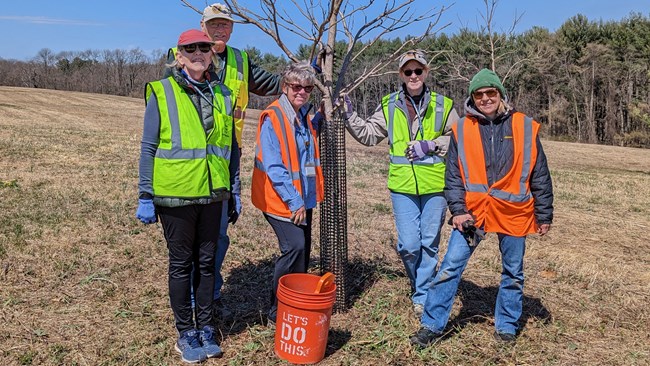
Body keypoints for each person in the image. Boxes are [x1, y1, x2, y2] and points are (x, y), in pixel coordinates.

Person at [409, 68, 554, 348]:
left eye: (491, 92)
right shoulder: (462, 128)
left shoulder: (525, 126)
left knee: (513, 271)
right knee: (451, 266)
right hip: (473, 213)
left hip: (514, 213)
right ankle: (431, 325)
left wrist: (544, 214)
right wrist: (458, 209)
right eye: (479, 94)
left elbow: (539, 174)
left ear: (500, 94)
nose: (485, 98)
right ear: (472, 98)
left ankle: (506, 327)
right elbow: (452, 177)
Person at [136, 29, 240, 363]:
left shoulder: (223, 94)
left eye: (204, 48)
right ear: (178, 55)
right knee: (182, 264)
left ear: (212, 53)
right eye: (190, 48)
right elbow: (149, 146)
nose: (198, 53)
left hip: (213, 194)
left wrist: (233, 190)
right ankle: (186, 333)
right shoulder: (161, 91)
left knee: (207, 264)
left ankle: (206, 326)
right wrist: (145, 194)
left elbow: (230, 148)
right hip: (175, 196)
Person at [343, 49, 459, 317]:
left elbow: (461, 138)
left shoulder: (443, 104)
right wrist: (350, 116)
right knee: (409, 245)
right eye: (408, 71)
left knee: (429, 243)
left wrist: (432, 144)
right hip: (402, 186)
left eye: (419, 70)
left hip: (435, 186)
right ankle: (419, 281)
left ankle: (422, 294)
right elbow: (369, 135)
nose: (414, 75)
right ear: (401, 75)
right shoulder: (390, 104)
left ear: (427, 73)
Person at [250, 61, 324, 324]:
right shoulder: (273, 117)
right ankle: (275, 312)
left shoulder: (303, 116)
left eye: (307, 87)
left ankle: (295, 304)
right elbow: (275, 167)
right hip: (281, 199)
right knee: (294, 248)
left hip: (303, 198)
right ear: (285, 87)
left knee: (302, 254)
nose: (301, 92)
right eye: (296, 87)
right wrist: (294, 202)